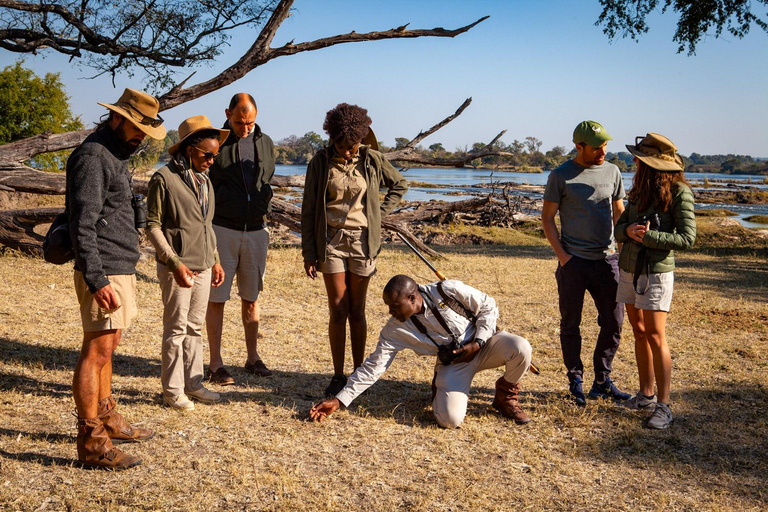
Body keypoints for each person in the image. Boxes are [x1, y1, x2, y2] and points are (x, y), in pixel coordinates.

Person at [67, 88, 166, 469]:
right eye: (138, 126)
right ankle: (91, 442)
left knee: (107, 349)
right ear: (117, 118)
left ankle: (106, 419)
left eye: (147, 128)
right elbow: (83, 224)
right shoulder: (93, 156)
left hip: (118, 266)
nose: (142, 135)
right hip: (104, 269)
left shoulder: (114, 154)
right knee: (96, 352)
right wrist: (96, 277)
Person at [309, 275, 533, 428]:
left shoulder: (447, 290)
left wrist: (479, 341)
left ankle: (505, 396)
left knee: (520, 348)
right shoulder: (394, 330)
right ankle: (441, 388)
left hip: (485, 345)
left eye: (395, 307)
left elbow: (488, 305)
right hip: (454, 364)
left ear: (413, 298)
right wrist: (340, 400)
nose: (391, 312)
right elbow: (373, 367)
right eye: (389, 307)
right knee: (450, 420)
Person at [301, 103, 407, 397]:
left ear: (361, 138)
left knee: (357, 311)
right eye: (342, 145)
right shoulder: (319, 163)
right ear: (332, 137)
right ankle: (337, 375)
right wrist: (308, 252)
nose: (348, 151)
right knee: (338, 309)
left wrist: (378, 213)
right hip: (330, 242)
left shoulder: (372, 159)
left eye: (353, 145)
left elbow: (399, 184)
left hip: (363, 242)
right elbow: (308, 209)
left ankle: (359, 373)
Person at [541, 120, 631, 406]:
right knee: (571, 323)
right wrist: (563, 257)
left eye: (605, 145)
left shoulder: (613, 171)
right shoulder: (560, 175)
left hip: (607, 261)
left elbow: (619, 214)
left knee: (614, 321)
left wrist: (624, 252)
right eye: (596, 147)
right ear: (579, 147)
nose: (602, 151)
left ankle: (602, 381)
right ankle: (575, 380)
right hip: (574, 263)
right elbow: (547, 219)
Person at [146, 116, 229, 410]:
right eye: (208, 155)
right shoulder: (163, 179)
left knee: (194, 327)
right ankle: (172, 391)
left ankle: (194, 385)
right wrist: (173, 262)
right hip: (177, 268)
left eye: (215, 156)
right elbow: (153, 226)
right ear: (189, 149)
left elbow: (207, 225)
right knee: (176, 329)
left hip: (204, 266)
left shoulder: (205, 181)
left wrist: (215, 259)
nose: (212, 161)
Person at [615, 133, 696, 429]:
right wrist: (629, 231)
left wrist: (648, 236)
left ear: (652, 164)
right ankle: (646, 395)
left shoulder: (679, 193)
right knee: (638, 332)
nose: (634, 162)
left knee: (656, 336)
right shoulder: (638, 190)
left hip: (657, 272)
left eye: (639, 158)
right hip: (629, 269)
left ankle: (664, 405)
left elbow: (687, 238)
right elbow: (619, 228)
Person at [205, 93, 275, 385]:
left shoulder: (267, 142)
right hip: (223, 229)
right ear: (228, 114)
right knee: (217, 298)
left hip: (257, 230)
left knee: (252, 297)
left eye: (250, 123)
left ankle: (252, 357)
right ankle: (216, 363)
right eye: (239, 122)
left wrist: (264, 206)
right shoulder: (215, 141)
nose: (245, 128)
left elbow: (266, 179)